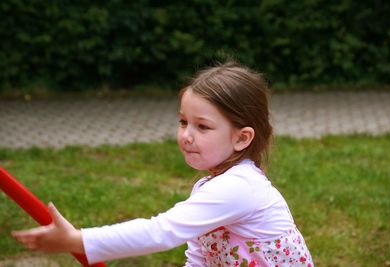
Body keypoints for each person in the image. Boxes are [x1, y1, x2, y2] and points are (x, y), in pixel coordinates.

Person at [12, 61, 313, 266]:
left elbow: (162, 231)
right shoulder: (209, 186)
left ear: (242, 138)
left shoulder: (239, 188)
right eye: (184, 122)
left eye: (203, 127)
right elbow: (200, 255)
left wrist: (78, 240)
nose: (187, 135)